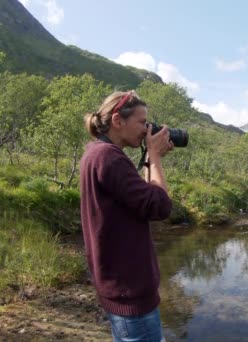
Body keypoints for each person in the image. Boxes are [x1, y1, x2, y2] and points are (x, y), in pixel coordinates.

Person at [80, 90, 173, 341]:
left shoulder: (97, 153)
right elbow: (161, 206)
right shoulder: (108, 158)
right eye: (142, 122)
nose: (147, 129)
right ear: (118, 121)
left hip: (118, 286)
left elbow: (145, 202)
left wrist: (149, 160)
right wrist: (154, 157)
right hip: (129, 291)